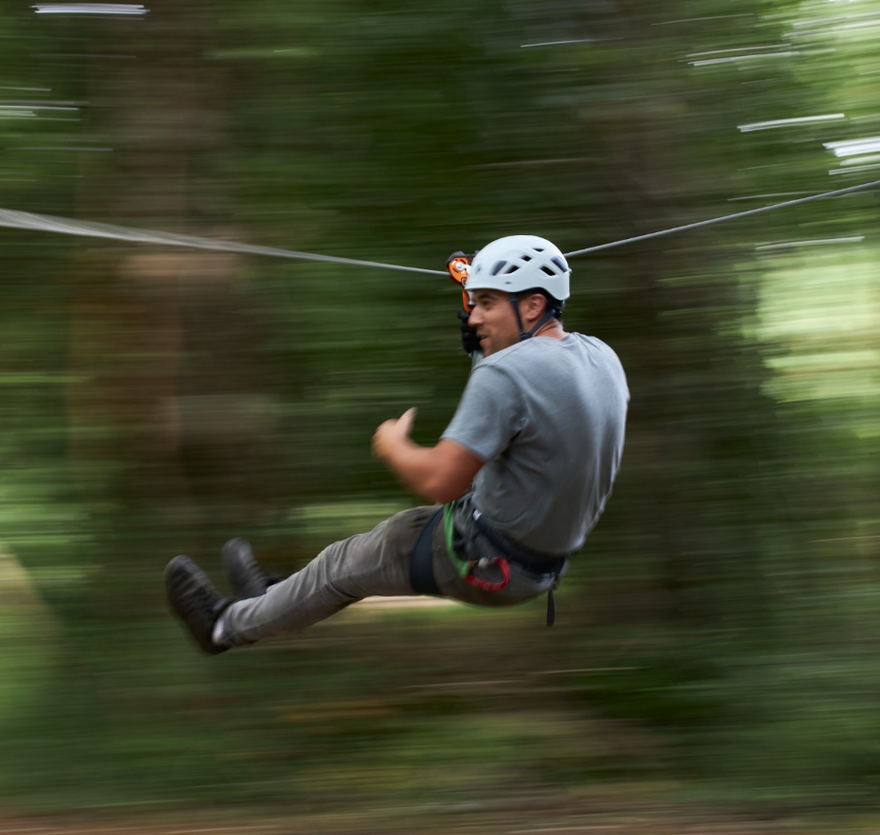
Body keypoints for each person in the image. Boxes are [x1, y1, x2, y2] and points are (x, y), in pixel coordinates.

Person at [166, 235, 629, 654]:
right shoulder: (602, 358)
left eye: (486, 302)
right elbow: (528, 403)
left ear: (532, 307)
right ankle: (270, 600)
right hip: (539, 562)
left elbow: (440, 481)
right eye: (474, 303)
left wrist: (391, 444)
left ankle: (222, 626)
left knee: (340, 567)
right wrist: (481, 338)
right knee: (345, 570)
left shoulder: (505, 373)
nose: (474, 315)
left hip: (480, 555)